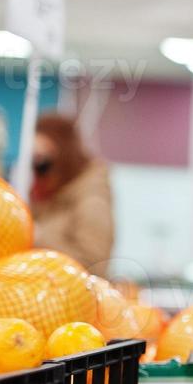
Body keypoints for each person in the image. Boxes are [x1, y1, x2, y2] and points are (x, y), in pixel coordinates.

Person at [30, 113, 115, 277]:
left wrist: (38, 236)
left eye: (43, 156)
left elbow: (95, 266)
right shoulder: (51, 198)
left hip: (74, 297)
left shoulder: (92, 200)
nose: (39, 166)